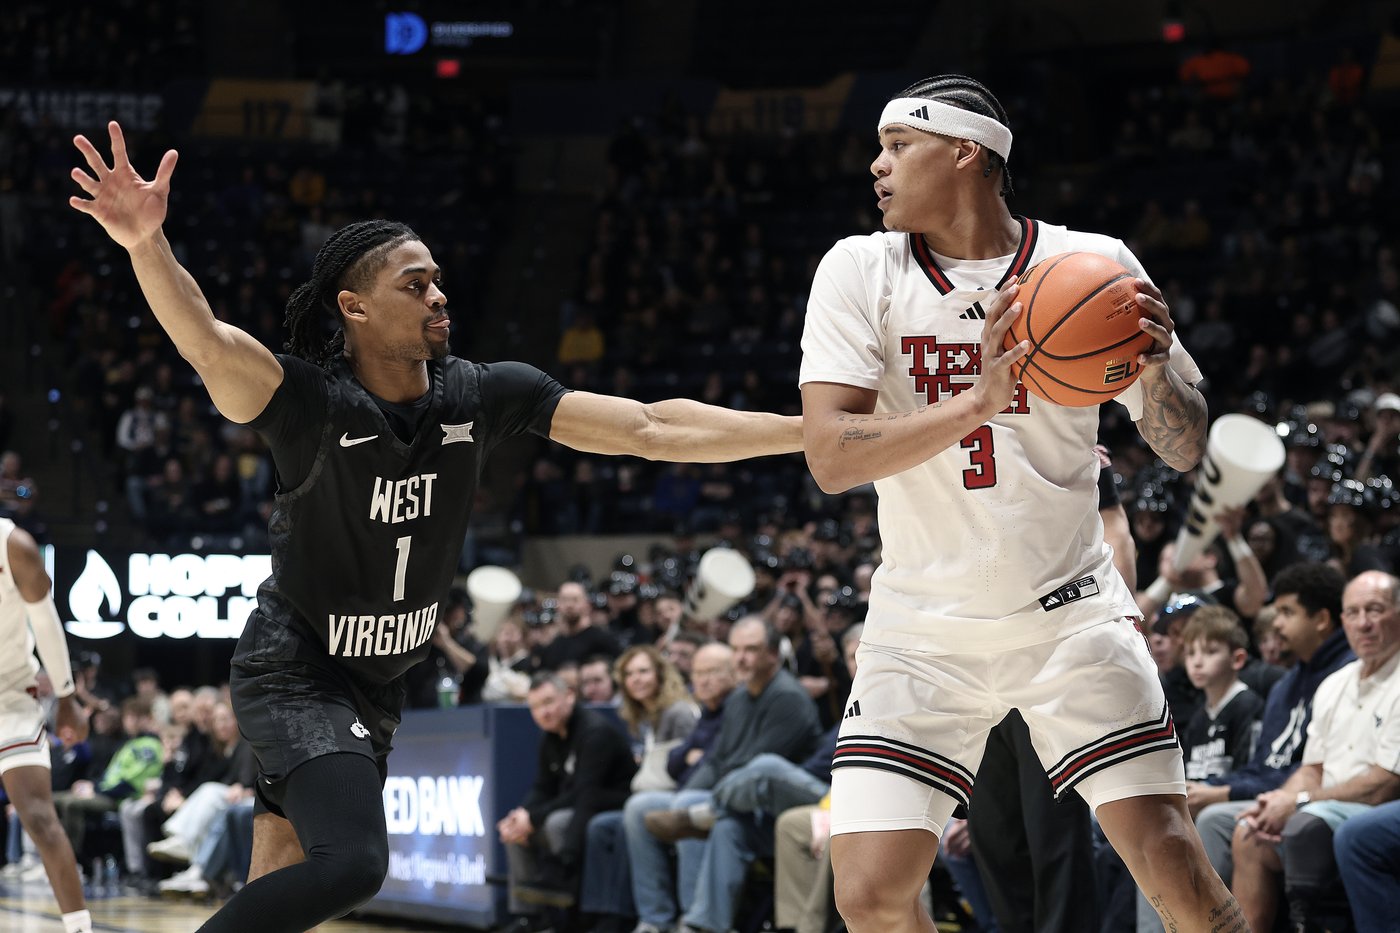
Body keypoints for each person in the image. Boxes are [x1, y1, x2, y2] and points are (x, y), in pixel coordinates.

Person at [68, 121, 803, 933]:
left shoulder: (482, 394)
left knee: (279, 899)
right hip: (298, 666)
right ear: (353, 305)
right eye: (415, 285)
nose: (438, 295)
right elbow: (205, 340)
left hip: (380, 684)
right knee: (354, 864)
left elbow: (651, 427)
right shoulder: (309, 405)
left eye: (439, 281)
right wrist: (146, 243)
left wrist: (806, 430)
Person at [797, 75, 1241, 931]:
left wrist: (1152, 369)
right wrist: (975, 398)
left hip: (1069, 618)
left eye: (897, 145)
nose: (875, 165)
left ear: (967, 152)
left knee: (1174, 865)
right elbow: (829, 456)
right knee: (870, 893)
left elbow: (1183, 447)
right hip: (922, 629)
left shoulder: (1094, 264)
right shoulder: (859, 268)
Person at [1231, 570, 1400, 932]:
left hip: (1373, 806)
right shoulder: (1334, 684)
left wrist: (1299, 803)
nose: (1364, 623)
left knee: (1306, 825)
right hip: (1325, 802)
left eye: (1375, 610)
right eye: (1353, 613)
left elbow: (1384, 784)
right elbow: (1312, 767)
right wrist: (1279, 800)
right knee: (1248, 831)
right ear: (1342, 621)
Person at [1187, 563, 1353, 885]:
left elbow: (1315, 770)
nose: (1276, 624)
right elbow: (1262, 766)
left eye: (1287, 613)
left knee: (1214, 820)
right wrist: (1211, 787)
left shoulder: (1346, 676)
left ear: (1321, 620)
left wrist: (1225, 792)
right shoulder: (1284, 686)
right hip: (1272, 792)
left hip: (1316, 797)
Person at [0, 516, 92, 933]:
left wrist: (67, 698)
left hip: (10, 697)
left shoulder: (13, 544)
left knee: (38, 816)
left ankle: (79, 928)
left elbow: (46, 621)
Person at [496, 673, 637, 932]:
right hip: (581, 802)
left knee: (556, 823)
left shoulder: (595, 732)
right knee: (514, 830)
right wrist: (523, 815)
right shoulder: (550, 737)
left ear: (570, 696)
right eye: (536, 707)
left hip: (612, 802)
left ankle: (566, 916)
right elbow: (543, 787)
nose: (543, 712)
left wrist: (535, 818)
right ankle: (530, 917)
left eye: (549, 702)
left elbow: (586, 793)